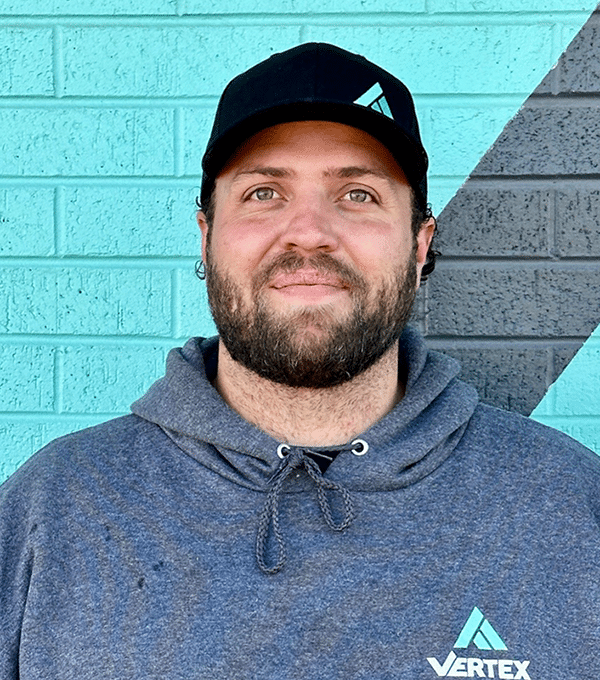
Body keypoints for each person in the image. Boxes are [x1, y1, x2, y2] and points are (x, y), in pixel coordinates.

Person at [1, 42, 599, 680]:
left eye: (358, 195)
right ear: (205, 237)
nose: (309, 231)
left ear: (420, 246)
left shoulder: (569, 506)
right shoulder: (54, 510)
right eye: (263, 192)